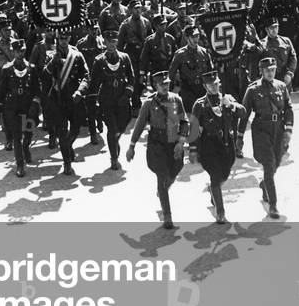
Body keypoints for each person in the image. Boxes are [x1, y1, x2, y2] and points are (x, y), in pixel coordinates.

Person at [126, 69, 189, 228]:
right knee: (162, 175)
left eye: (167, 84)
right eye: (162, 85)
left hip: (173, 141)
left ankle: (163, 190)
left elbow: (184, 122)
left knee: (174, 171)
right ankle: (167, 216)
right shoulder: (149, 103)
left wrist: (181, 142)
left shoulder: (177, 100)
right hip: (157, 144)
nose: (165, 87)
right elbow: (139, 125)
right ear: (155, 86)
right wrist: (132, 146)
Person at [190, 69, 246, 224]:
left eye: (216, 84)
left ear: (219, 84)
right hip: (209, 146)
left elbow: (243, 113)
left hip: (227, 144)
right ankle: (220, 212)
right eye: (210, 85)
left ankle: (213, 191)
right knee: (215, 177)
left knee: (224, 175)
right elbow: (193, 128)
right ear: (205, 87)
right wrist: (193, 149)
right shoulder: (199, 105)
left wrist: (232, 106)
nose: (214, 87)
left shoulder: (227, 99)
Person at [241, 55, 294, 219]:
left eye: (273, 70)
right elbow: (244, 113)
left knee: (276, 162)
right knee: (269, 163)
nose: (270, 73)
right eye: (267, 71)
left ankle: (265, 184)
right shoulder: (253, 89)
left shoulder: (281, 86)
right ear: (261, 71)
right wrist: (239, 136)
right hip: (261, 129)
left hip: (278, 128)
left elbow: (288, 108)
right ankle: (273, 204)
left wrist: (288, 130)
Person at [82, 29, 135, 170]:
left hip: (122, 99)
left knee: (121, 128)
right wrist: (95, 102)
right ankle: (114, 158)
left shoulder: (124, 57)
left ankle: (115, 140)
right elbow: (94, 83)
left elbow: (131, 78)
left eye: (114, 41)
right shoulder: (99, 60)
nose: (112, 44)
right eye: (109, 42)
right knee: (112, 130)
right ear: (104, 42)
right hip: (107, 99)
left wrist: (128, 94)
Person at [40, 35, 89, 176]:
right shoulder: (51, 56)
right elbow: (43, 76)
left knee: (76, 128)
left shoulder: (77, 55)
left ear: (69, 38)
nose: (63, 41)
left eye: (66, 38)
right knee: (62, 131)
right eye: (61, 38)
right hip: (58, 99)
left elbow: (86, 75)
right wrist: (52, 64)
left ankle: (67, 146)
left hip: (74, 98)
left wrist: (80, 91)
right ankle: (67, 163)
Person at [0, 39, 41, 177]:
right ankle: (20, 165)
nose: (20, 54)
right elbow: (1, 90)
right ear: (13, 52)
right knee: (17, 137)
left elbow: (37, 89)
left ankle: (26, 148)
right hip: (12, 107)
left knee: (28, 134)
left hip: (27, 107)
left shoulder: (31, 68)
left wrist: (35, 104)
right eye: (17, 51)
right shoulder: (7, 69)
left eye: (22, 51)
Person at [169, 20, 214, 114]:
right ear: (186, 38)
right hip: (188, 91)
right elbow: (171, 75)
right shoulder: (180, 55)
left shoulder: (204, 52)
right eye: (193, 37)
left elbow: (211, 73)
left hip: (203, 90)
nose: (196, 39)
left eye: (197, 36)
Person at [257, 16, 297, 90]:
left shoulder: (286, 41)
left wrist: (290, 73)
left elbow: (293, 58)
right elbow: (257, 63)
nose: (274, 30)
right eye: (272, 28)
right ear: (266, 29)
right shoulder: (261, 44)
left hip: (284, 78)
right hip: (269, 79)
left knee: (286, 100)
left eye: (276, 27)